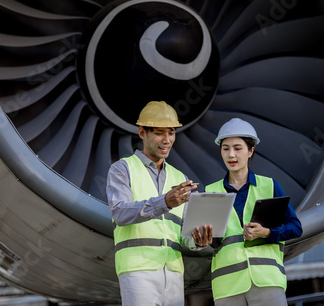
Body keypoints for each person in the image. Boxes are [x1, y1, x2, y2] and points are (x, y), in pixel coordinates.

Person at [106, 101, 212, 306]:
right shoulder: (122, 169)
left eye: (171, 133)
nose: (167, 140)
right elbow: (120, 213)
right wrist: (164, 202)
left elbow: (183, 236)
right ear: (142, 132)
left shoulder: (179, 176)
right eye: (159, 133)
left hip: (172, 272)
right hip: (138, 271)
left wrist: (198, 241)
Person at [205, 118, 303, 306]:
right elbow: (212, 242)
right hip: (227, 286)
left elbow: (296, 228)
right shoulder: (211, 191)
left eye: (237, 148)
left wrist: (267, 233)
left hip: (267, 281)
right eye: (225, 148)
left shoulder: (270, 186)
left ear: (251, 151)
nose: (231, 155)